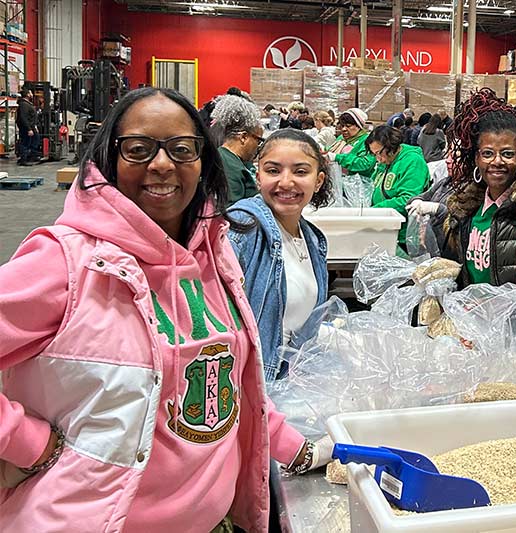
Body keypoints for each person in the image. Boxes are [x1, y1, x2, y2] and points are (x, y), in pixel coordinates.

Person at [0, 87, 329, 531]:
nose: (161, 164)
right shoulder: (66, 261)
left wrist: (295, 448)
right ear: (108, 160)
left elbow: (228, 383)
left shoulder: (214, 254)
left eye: (181, 149)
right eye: (138, 149)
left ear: (202, 161)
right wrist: (26, 442)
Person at [228, 129, 332, 381]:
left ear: (317, 181)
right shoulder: (240, 227)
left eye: (300, 171)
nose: (286, 182)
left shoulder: (313, 240)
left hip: (287, 384)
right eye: (273, 171)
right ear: (258, 177)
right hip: (249, 388)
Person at [439, 88, 516, 288]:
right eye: (487, 154)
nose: (497, 162)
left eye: (507, 154)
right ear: (477, 158)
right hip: (472, 314)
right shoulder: (464, 209)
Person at [366, 125, 430, 250]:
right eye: (374, 155)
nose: (378, 159)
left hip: (403, 235)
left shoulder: (413, 161)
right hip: (385, 229)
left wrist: (374, 210)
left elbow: (408, 199)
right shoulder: (386, 162)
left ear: (391, 146)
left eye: (379, 153)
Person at [212, 94, 265, 206]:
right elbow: (231, 210)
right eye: (258, 140)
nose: (258, 146)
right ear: (243, 137)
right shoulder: (229, 166)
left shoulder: (228, 159)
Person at [327, 108, 376, 180]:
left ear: (358, 126)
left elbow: (366, 164)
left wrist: (337, 158)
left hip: (357, 185)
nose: (344, 129)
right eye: (342, 126)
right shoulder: (341, 139)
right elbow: (330, 150)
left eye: (348, 126)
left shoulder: (367, 141)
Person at [16, 89, 38, 166]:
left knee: (35, 140)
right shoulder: (24, 105)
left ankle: (32, 156)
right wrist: (28, 129)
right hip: (26, 128)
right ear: (27, 95)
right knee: (25, 143)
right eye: (30, 92)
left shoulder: (27, 104)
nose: (32, 94)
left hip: (31, 127)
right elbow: (23, 118)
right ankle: (23, 160)